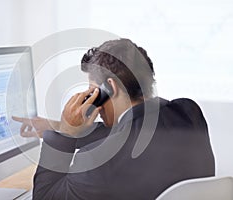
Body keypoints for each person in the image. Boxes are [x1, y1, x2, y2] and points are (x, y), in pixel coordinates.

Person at [13, 38, 215, 200]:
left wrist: (65, 134)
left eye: (93, 92)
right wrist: (59, 126)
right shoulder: (188, 112)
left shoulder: (98, 160)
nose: (92, 102)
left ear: (111, 87)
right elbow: (132, 128)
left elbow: (44, 195)